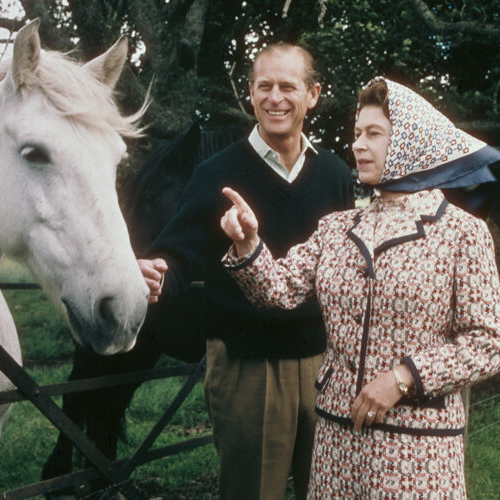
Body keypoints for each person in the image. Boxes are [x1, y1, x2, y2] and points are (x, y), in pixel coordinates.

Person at [219, 76, 500, 497]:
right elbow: (276, 291)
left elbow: (489, 343)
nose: (357, 144)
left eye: (374, 134)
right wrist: (248, 242)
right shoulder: (337, 227)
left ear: (411, 141)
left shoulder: (462, 233)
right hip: (337, 445)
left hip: (418, 451)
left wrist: (403, 377)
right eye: (356, 134)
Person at [139, 43, 353, 499]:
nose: (275, 98)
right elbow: (178, 253)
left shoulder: (335, 174)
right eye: (265, 86)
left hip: (323, 365)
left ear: (312, 95)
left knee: (329, 491)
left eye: (288, 86)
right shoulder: (216, 172)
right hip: (247, 366)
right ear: (250, 94)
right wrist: (159, 272)